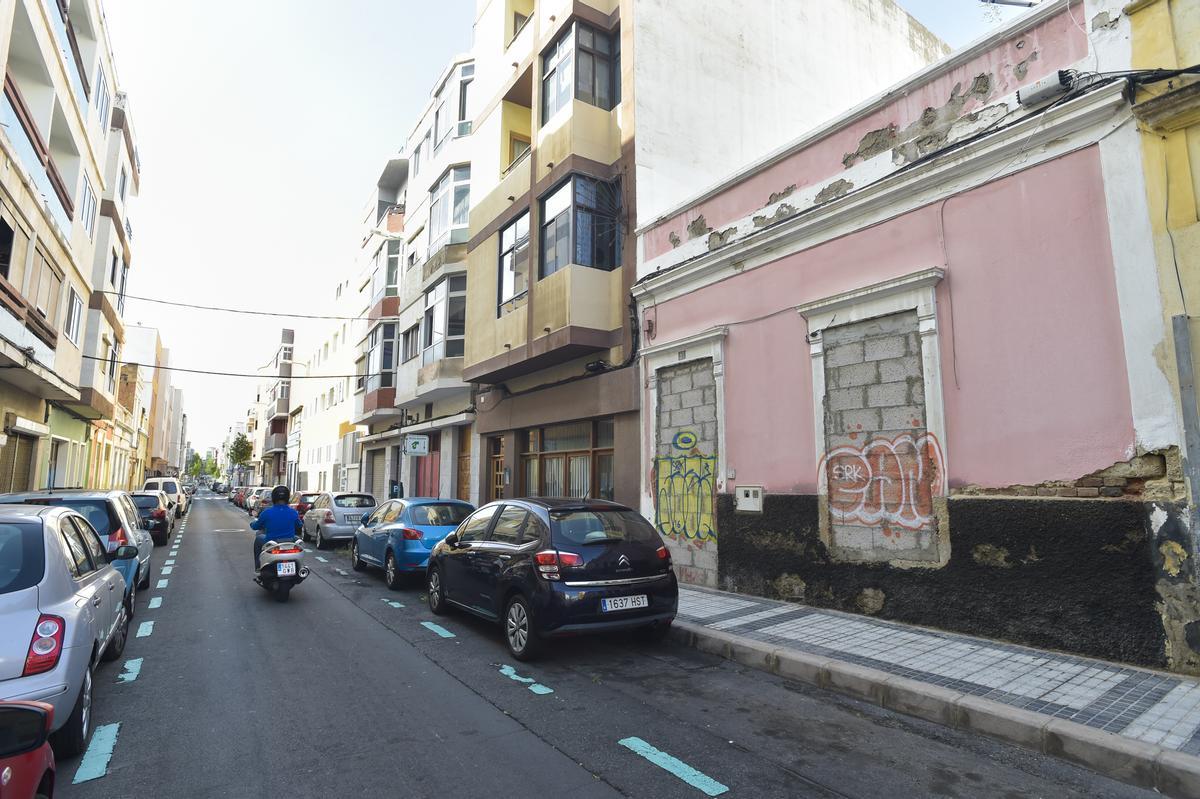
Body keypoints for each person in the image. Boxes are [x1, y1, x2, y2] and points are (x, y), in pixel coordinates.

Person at [250, 485, 301, 570]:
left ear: (273, 498)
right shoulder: (293, 512)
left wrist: (252, 523)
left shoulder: (267, 512)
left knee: (258, 538)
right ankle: (299, 566)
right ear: (287, 498)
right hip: (289, 543)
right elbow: (299, 525)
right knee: (297, 540)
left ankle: (258, 567)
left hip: (272, 543)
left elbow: (256, 526)